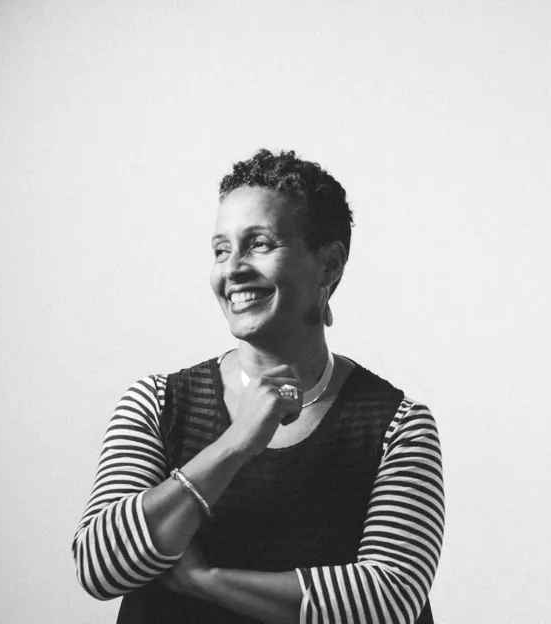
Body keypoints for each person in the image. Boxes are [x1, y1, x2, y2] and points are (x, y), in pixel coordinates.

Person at [71, 149, 445, 623]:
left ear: (328, 265)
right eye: (221, 250)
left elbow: (387, 602)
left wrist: (207, 581)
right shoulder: (156, 403)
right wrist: (238, 442)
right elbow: (100, 566)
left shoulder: (398, 426)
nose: (233, 269)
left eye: (260, 244)